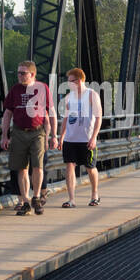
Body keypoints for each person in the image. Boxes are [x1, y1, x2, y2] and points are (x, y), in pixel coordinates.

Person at [0, 60, 58, 215]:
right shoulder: (15, 90)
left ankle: (37, 197)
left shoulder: (42, 88)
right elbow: (7, 114)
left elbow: (51, 114)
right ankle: (25, 201)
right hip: (18, 132)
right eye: (18, 72)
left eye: (23, 73)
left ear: (32, 74)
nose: (19, 76)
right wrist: (4, 135)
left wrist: (54, 136)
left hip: (37, 132)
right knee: (21, 168)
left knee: (37, 166)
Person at [59, 67, 103, 208]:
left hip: (86, 138)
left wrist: (94, 137)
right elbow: (65, 119)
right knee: (69, 166)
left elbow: (98, 118)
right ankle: (71, 199)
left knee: (90, 167)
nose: (69, 84)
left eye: (70, 81)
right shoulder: (68, 97)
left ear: (78, 81)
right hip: (70, 139)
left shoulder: (91, 95)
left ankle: (94, 194)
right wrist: (61, 137)